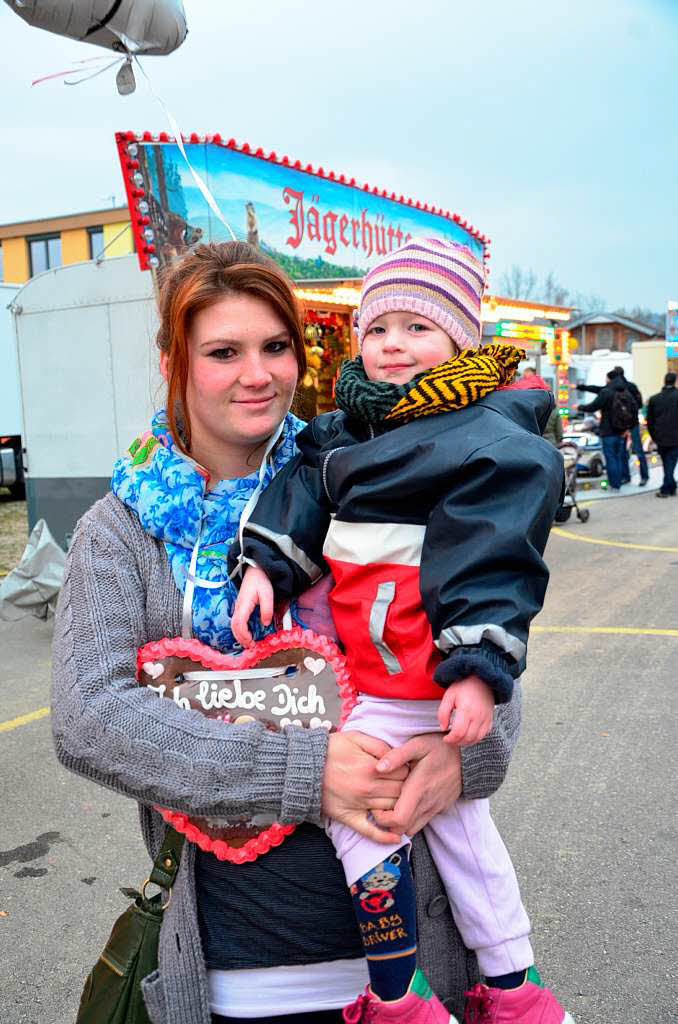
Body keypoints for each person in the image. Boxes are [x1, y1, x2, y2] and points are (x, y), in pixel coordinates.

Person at [51, 241, 524, 1024]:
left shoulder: (375, 472)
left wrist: (464, 760)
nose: (257, 375)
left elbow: (488, 649)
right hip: (241, 972)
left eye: (276, 347)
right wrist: (308, 772)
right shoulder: (122, 532)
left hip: (420, 966)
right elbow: (89, 717)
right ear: (175, 361)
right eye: (223, 352)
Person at [229, 239, 570, 1024]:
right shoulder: (344, 431)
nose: (393, 345)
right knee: (452, 831)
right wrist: (267, 563)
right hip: (375, 669)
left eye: (418, 327)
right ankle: (510, 988)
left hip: (426, 673)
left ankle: (414, 994)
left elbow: (495, 557)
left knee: (382, 822)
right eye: (379, 328)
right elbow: (300, 492)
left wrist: (481, 669)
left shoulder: (490, 440)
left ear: (460, 340)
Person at [578, 368, 648, 485]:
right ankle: (644, 477)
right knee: (638, 451)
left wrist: (581, 387)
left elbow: (596, 391)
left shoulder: (609, 390)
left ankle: (623, 478)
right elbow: (638, 405)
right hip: (632, 424)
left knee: (619, 453)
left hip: (618, 426)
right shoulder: (630, 387)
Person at [646, 371, 678, 497]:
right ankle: (668, 487)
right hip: (676, 437)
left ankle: (669, 486)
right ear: (675, 381)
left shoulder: (655, 399)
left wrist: (654, 436)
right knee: (670, 462)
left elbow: (650, 421)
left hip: (660, 437)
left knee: (666, 462)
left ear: (664, 381)